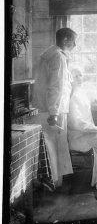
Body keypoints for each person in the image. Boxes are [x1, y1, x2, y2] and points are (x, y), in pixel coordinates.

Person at [33, 27, 77, 188]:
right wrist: (54, 112)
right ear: (65, 39)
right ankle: (54, 185)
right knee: (53, 147)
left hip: (49, 108)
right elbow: (55, 87)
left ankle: (53, 184)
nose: (75, 44)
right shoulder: (58, 57)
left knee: (51, 147)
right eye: (73, 40)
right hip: (53, 110)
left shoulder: (50, 54)